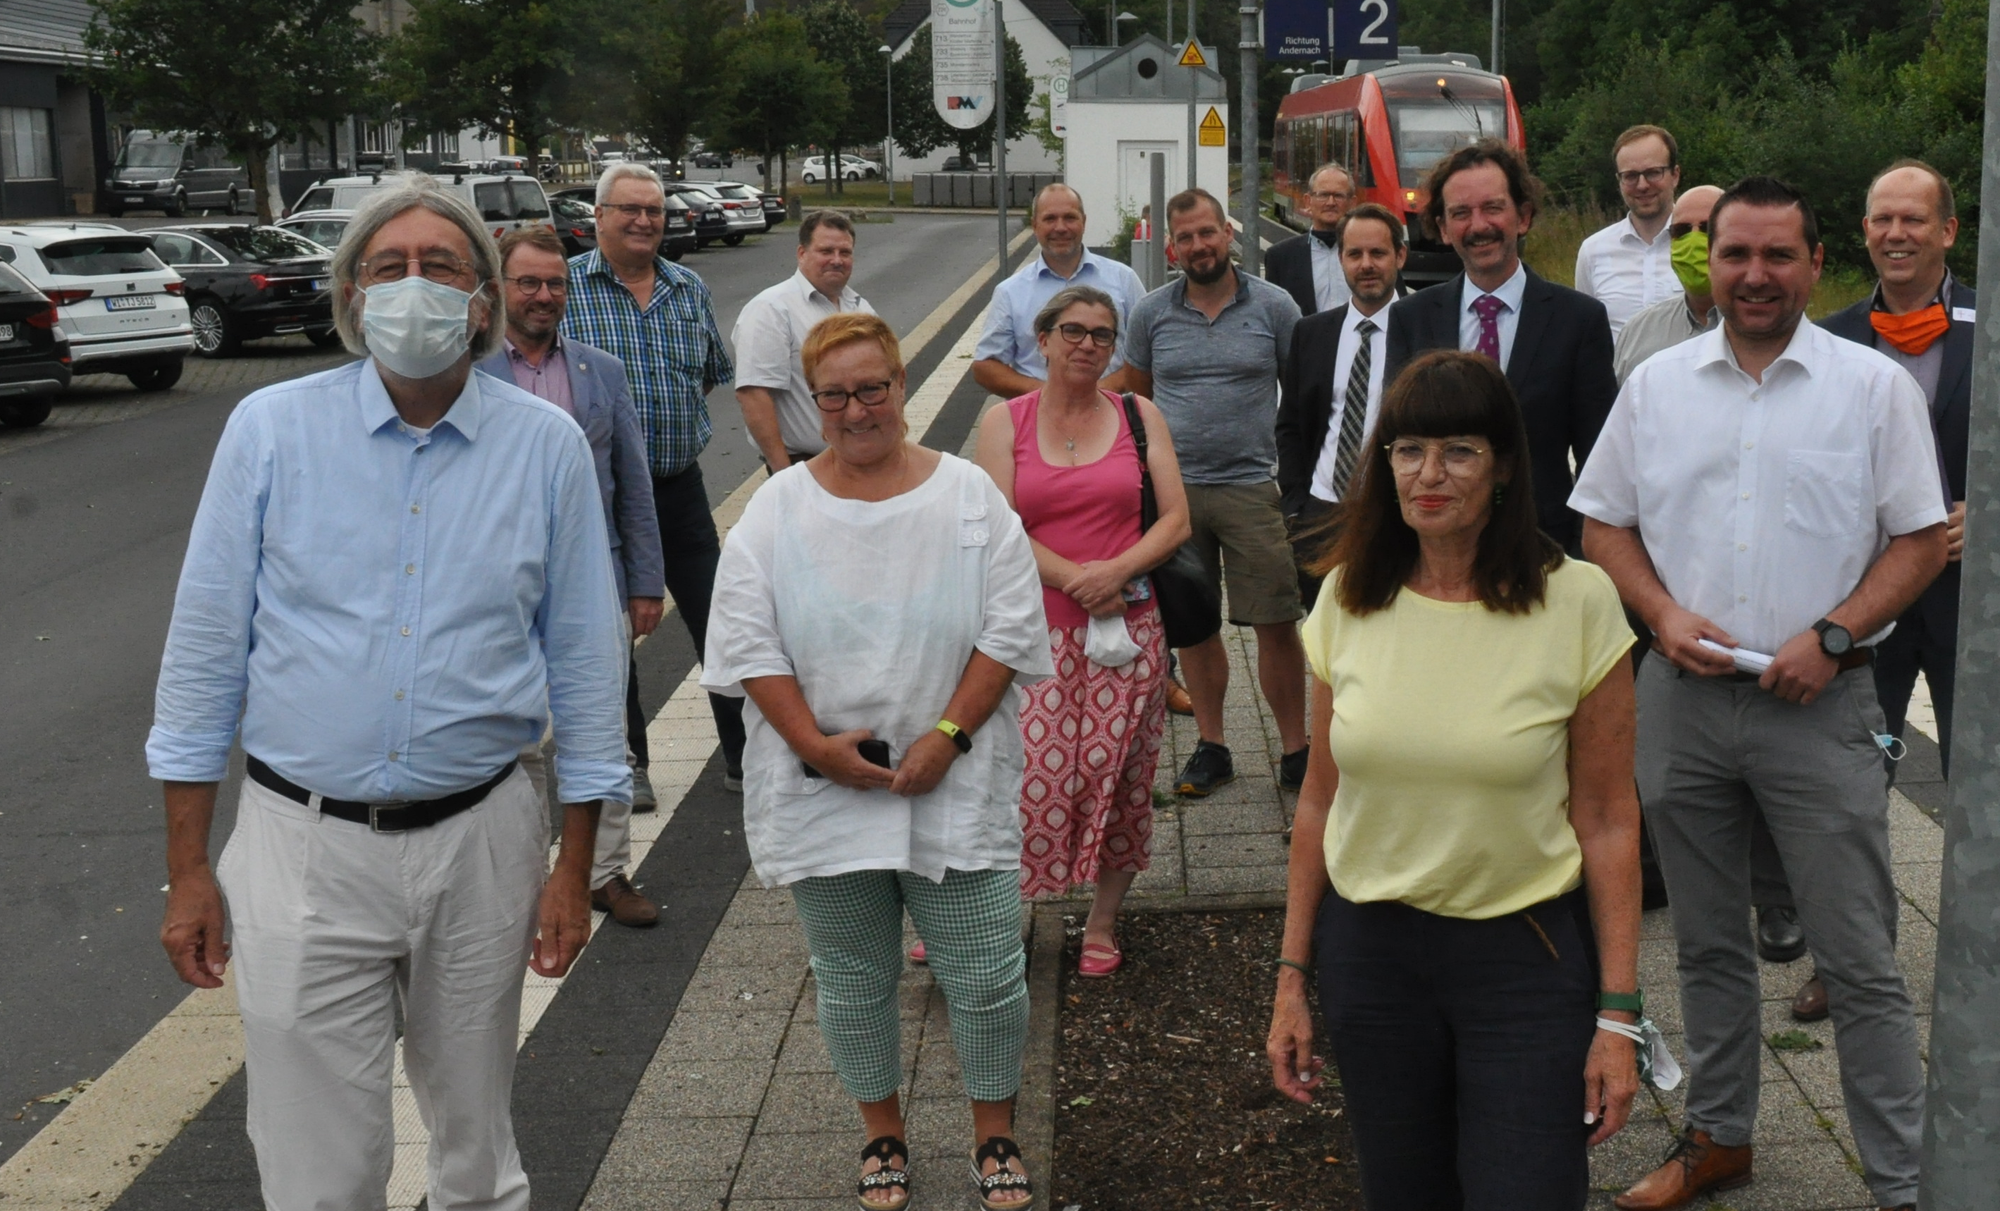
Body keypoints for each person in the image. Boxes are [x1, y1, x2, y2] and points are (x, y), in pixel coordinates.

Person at [148, 174, 628, 1211]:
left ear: (483, 299)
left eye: (441, 266)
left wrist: (575, 866)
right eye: (389, 266)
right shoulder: (271, 430)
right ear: (352, 296)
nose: (414, 285)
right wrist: (187, 871)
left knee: (475, 1150)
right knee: (317, 1170)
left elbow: (589, 667)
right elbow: (202, 660)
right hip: (302, 845)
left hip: (480, 840)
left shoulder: (543, 447)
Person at [1572, 176, 1945, 1211]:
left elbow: (1920, 540)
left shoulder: (1872, 388)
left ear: (1815, 262)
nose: (1754, 274)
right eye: (1735, 253)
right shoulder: (1657, 386)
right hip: (1682, 701)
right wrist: (1656, 611)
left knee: (1859, 958)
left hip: (1821, 705)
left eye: (1778, 255)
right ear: (1711, 260)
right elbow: (1602, 522)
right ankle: (1720, 1134)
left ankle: (1903, 1181)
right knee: (1704, 943)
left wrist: (1833, 635)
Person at [1266, 349, 1643, 1209]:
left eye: (1459, 451)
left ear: (1505, 466)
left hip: (1524, 959)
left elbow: (1610, 818)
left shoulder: (1578, 601)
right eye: (1408, 450)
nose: (1428, 474)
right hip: (1372, 961)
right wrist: (1291, 977)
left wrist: (1618, 1014)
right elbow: (1320, 800)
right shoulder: (1347, 598)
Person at [703, 313, 1052, 1211]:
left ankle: (994, 1130)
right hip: (826, 790)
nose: (857, 409)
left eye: (872, 388)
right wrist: (812, 744)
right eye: (835, 395)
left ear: (900, 384)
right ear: (812, 402)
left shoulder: (970, 496)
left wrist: (950, 733)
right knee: (854, 980)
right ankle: (881, 1131)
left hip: (953, 783)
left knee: (986, 975)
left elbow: (1012, 625)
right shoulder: (778, 509)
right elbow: (745, 639)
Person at [1787, 158, 1974, 1028]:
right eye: (1881, 219)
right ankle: (1848, 959)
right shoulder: (1826, 340)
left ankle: (1981, 952)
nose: (1896, 234)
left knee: (1981, 784)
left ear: (1948, 231)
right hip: (1867, 603)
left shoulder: (1991, 328)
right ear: (1862, 232)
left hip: (1972, 606)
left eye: (1914, 219)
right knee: (1850, 788)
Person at [973, 285, 1192, 976]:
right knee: (1023, 777)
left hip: (1127, 633)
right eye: (1073, 330)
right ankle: (990, 917)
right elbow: (999, 529)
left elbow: (1176, 520)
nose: (1087, 344)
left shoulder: (1138, 415)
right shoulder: (1004, 422)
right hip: (1031, 636)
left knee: (1122, 777)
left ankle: (1101, 924)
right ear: (1042, 340)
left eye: (1102, 334)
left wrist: (1116, 571)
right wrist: (1077, 579)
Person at [476, 225, 665, 928]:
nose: (544, 295)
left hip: (594, 582)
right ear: (499, 289)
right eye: (528, 282)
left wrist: (645, 582)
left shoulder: (600, 371)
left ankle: (604, 874)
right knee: (514, 737)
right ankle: (524, 876)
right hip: (499, 587)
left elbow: (633, 485)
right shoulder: (468, 374)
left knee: (603, 731)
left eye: (555, 283)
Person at [1111, 187, 1308, 796]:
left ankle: (1296, 750)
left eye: (1207, 232)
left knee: (1276, 620)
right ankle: (1212, 745)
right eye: (1186, 238)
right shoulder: (1151, 313)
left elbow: (1300, 395)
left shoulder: (1275, 306)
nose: (1199, 246)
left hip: (1254, 488)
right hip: (1176, 495)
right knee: (1193, 626)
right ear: (1172, 248)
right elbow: (1138, 398)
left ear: (1227, 234)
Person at [563, 161, 745, 790]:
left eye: (655, 211)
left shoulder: (688, 287)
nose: (644, 221)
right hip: (599, 498)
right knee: (611, 633)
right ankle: (630, 764)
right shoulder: (567, 287)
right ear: (599, 217)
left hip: (678, 487)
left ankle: (744, 758)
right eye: (630, 210)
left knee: (721, 623)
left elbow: (709, 372)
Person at [1384, 140, 1617, 556]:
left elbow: (1600, 459)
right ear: (1442, 228)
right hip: (1439, 550)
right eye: (1461, 213)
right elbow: (1399, 440)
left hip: (1544, 548)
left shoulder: (1579, 321)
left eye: (1492, 208)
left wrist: (1581, 553)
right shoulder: (1411, 319)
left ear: (1522, 216)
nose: (1479, 226)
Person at [1275, 202, 1407, 601]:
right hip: (1321, 514)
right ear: (1341, 259)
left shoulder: (1423, 330)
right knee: (1322, 628)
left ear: (1400, 256)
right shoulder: (1312, 333)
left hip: (1396, 514)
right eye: (1355, 254)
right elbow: (1290, 425)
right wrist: (1296, 506)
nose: (1366, 265)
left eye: (1378, 253)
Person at [972, 182, 1146, 400]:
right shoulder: (1010, 292)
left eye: (1070, 218)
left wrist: (1103, 391)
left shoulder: (1124, 279)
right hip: (1038, 415)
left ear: (1084, 222)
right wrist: (1049, 395)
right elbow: (985, 366)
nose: (1061, 227)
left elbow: (1150, 350)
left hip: (1113, 411)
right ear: (1035, 225)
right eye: (1050, 219)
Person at [733, 209, 876, 471]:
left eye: (845, 252)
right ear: (802, 253)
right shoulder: (771, 310)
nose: (837, 260)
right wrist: (784, 475)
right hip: (805, 465)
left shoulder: (861, 309)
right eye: (826, 251)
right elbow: (753, 395)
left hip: (861, 462)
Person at [1575, 125, 1683, 337]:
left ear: (1675, 175)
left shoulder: (1703, 241)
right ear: (1619, 181)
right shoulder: (1593, 251)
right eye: (1631, 176)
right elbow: (1584, 333)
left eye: (1653, 173)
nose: (1642, 185)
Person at [1613, 184, 1723, 384]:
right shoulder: (1638, 333)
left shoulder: (1765, 328)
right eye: (1681, 231)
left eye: (1708, 229)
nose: (1693, 240)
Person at [1264, 163, 1357, 316]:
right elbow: (1272, 314)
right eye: (1323, 195)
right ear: (1308, 201)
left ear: (1352, 203)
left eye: (1339, 195)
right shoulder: (1280, 257)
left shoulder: (1372, 254)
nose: (1331, 202)